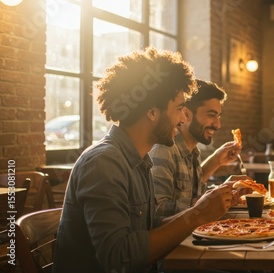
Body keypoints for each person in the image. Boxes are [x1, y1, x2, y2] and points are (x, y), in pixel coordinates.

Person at [53, 47, 236, 273]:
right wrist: (197, 215)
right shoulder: (103, 163)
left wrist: (201, 209)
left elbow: (150, 230)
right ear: (151, 112)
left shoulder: (139, 160)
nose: (182, 119)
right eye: (179, 108)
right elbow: (119, 259)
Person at [149, 79, 244, 217]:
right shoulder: (164, 149)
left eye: (218, 116)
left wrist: (224, 189)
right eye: (211, 115)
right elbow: (157, 210)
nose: (218, 125)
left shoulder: (194, 151)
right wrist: (207, 202)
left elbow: (194, 194)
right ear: (186, 114)